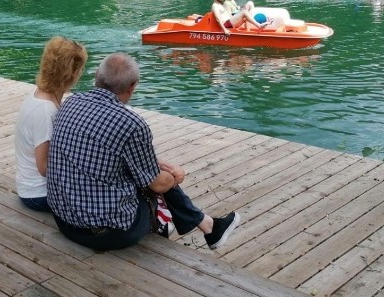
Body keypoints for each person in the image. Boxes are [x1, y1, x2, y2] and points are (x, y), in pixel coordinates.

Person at [46, 52, 241, 251]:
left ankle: (208, 225)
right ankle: (206, 226)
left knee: (140, 172)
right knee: (153, 183)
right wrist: (175, 176)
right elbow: (157, 184)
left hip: (64, 221)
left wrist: (156, 164)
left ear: (97, 75)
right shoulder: (130, 124)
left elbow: (103, 151)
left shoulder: (71, 103)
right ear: (132, 87)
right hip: (107, 234)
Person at [14, 36, 87, 212]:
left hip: (31, 186)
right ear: (72, 73)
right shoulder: (45, 111)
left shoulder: (40, 95)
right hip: (38, 193)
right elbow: (44, 167)